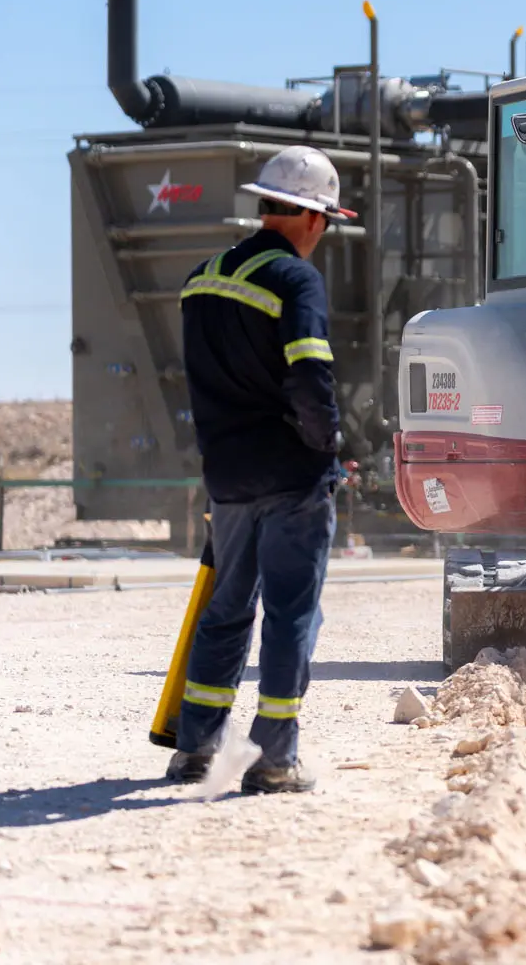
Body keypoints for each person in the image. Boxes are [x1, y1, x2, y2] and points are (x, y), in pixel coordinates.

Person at [167, 145, 351, 794]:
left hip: (227, 476)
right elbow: (309, 372)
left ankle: (194, 748)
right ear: (311, 218)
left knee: (226, 610)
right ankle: (274, 759)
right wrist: (328, 444)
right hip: (291, 476)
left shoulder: (201, 278)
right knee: (292, 613)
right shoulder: (295, 280)